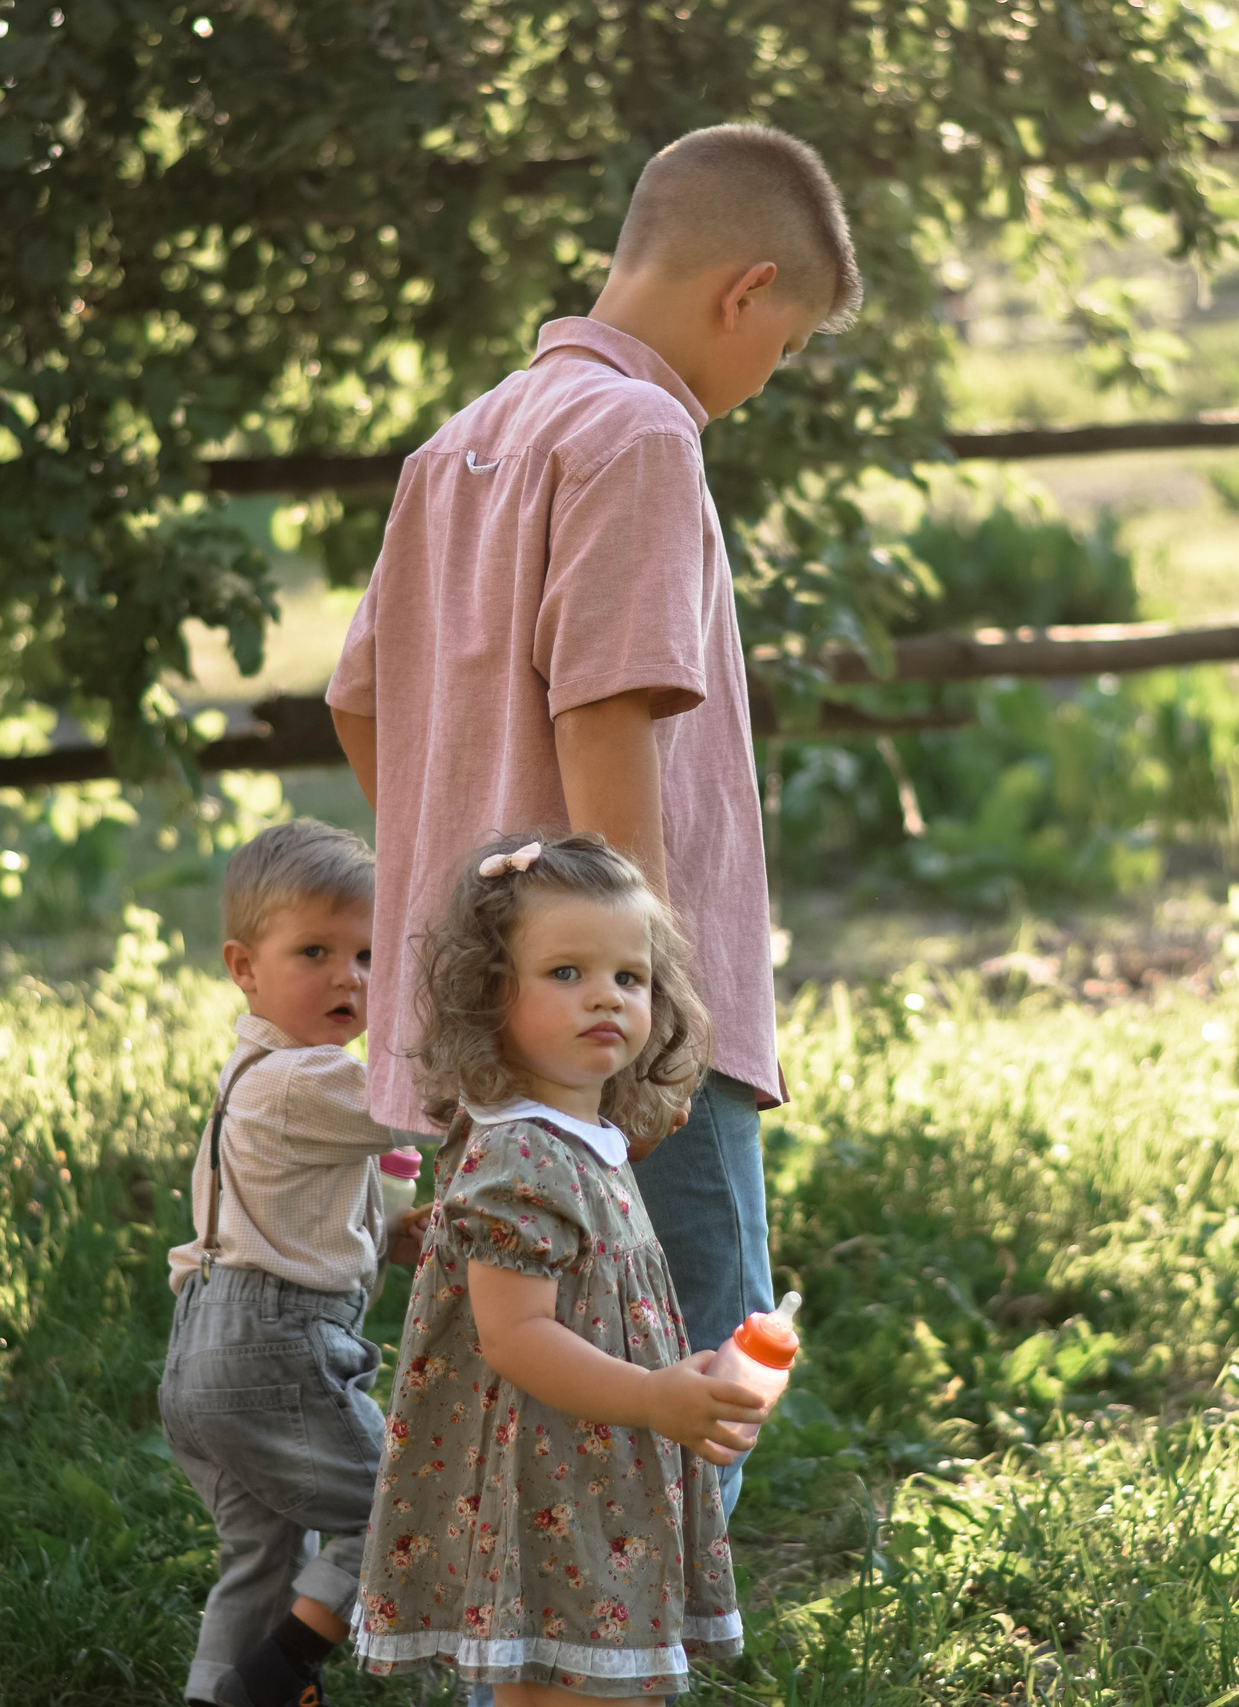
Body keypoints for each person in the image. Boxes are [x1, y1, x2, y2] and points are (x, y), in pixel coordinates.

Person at [325, 121, 863, 1521]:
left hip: (492, 1009)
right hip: (618, 1018)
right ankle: (630, 1670)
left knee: (529, 1375)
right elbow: (608, 718)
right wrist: (650, 996)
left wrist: (486, 930)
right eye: (786, 344)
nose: (767, 377)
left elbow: (361, 707)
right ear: (743, 291)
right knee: (701, 1360)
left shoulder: (464, 439)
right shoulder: (640, 435)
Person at [351, 832, 766, 1701]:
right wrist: (653, 1397)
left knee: (611, 1675)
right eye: (566, 973)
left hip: (592, 1462)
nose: (605, 997)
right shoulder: (522, 1157)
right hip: (544, 1475)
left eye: (630, 976)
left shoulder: (589, 1139)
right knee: (559, 1677)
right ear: (490, 995)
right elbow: (515, 1337)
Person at [159, 820, 427, 1707]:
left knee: (263, 1553)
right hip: (272, 1350)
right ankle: (276, 1677)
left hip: (200, 1353)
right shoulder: (308, 1079)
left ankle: (216, 1695)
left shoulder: (254, 1079)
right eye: (316, 950)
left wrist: (390, 1233)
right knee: (402, 1509)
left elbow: (289, 1212)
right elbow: (421, 1104)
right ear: (244, 966)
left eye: (368, 954)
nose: (349, 977)